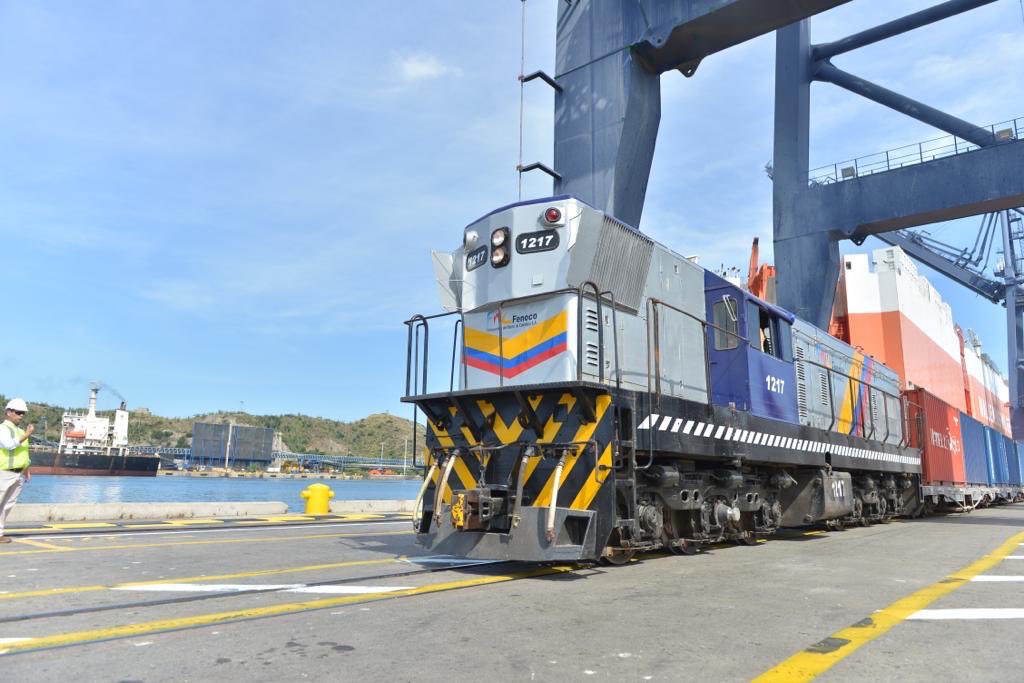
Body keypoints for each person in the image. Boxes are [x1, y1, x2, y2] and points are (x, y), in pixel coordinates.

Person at [0, 398, 33, 543]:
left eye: (23, 413)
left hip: (18, 473)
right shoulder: (2, 429)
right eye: (19, 412)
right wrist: (27, 434)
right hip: (4, 472)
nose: (21, 416)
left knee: (7, 505)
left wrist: (26, 470)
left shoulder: (20, 431)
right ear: (8, 412)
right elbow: (8, 445)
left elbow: (24, 453)